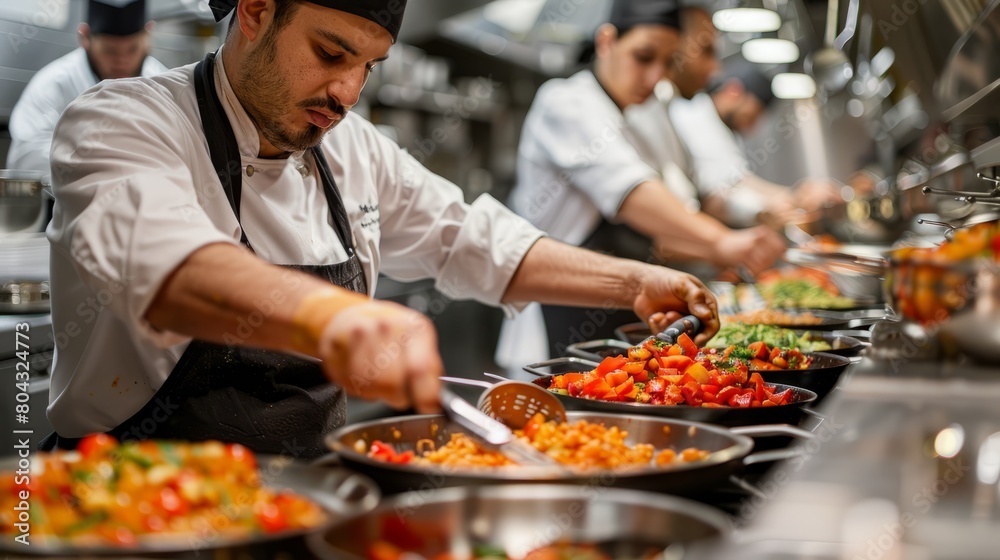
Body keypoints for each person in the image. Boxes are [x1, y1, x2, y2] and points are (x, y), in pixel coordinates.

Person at [43, 0, 720, 459]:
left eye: (367, 67)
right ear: (254, 10)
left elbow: (469, 239)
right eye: (331, 53)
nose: (348, 94)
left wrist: (633, 281)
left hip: (304, 507)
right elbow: (165, 267)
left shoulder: (353, 149)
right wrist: (334, 320)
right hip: (131, 506)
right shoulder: (120, 122)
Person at [497, 0, 784, 368]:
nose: (655, 77)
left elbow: (675, 210)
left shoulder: (638, 116)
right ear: (606, 41)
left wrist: (723, 247)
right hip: (553, 324)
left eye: (667, 63)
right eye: (644, 57)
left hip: (619, 316)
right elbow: (633, 194)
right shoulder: (566, 101)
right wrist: (721, 242)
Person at [627, 5, 842, 229]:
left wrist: (791, 197)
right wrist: (775, 206)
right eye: (707, 51)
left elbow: (731, 182)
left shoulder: (673, 104)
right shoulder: (688, 110)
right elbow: (716, 194)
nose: (715, 69)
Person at [6, 0, 167, 181]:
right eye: (110, 50)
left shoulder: (161, 83)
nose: (122, 60)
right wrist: (100, 164)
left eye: (132, 49)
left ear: (148, 35)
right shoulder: (54, 84)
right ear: (84, 37)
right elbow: (28, 158)